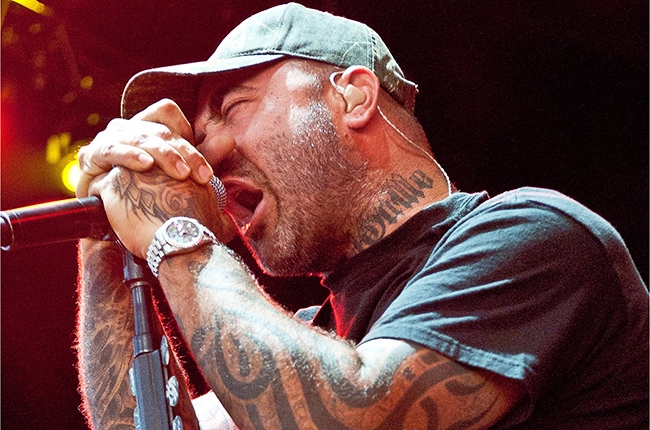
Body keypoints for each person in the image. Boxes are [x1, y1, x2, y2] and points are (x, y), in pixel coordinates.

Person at [74, 3, 649, 429]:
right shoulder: (317, 337)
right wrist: (105, 236)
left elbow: (353, 410)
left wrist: (178, 236)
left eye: (233, 108)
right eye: (199, 139)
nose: (211, 155)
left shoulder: (534, 239)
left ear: (353, 96)